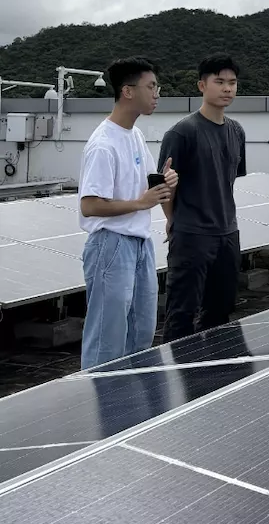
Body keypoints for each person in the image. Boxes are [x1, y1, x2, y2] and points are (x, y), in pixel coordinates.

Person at [78, 58, 178, 369]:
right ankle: (100, 408)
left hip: (139, 243)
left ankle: (128, 407)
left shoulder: (133, 135)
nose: (156, 93)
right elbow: (90, 204)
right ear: (127, 92)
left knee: (141, 333)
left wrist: (167, 181)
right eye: (151, 87)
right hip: (111, 244)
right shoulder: (103, 144)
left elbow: (150, 184)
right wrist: (140, 203)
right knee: (107, 338)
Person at [157, 53, 247, 343]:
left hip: (228, 234)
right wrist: (173, 220)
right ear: (201, 86)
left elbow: (230, 180)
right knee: (181, 314)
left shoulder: (237, 131)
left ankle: (214, 379)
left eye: (232, 83)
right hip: (192, 235)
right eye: (219, 82)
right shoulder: (182, 132)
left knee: (220, 312)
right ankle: (178, 379)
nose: (227, 89)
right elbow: (164, 185)